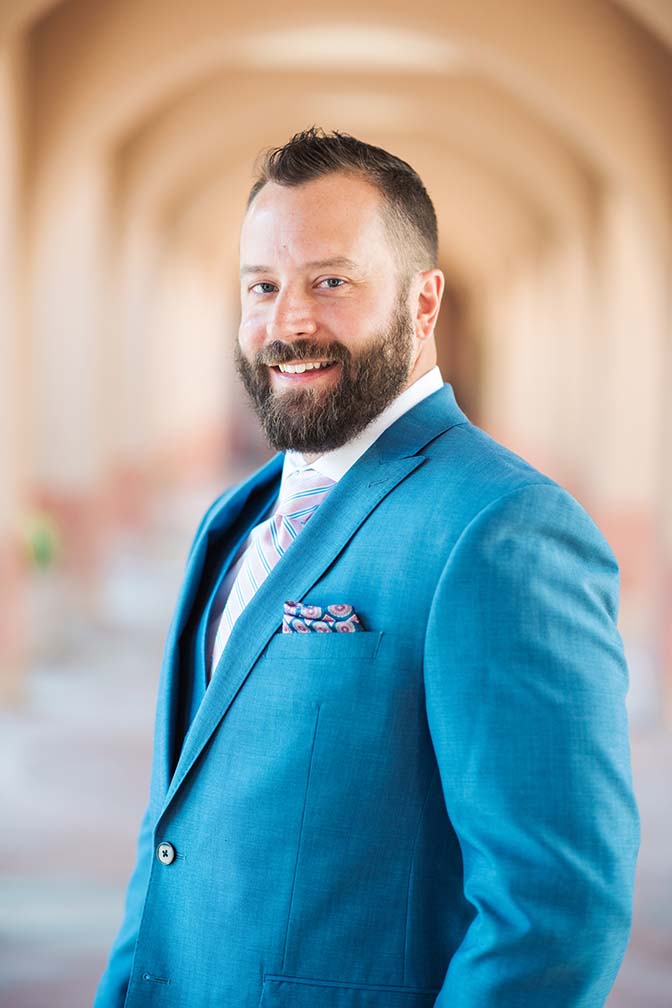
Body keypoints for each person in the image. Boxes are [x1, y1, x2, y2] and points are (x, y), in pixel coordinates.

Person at [95, 128, 639, 1008]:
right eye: (262, 287)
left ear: (423, 304)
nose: (289, 321)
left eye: (332, 282)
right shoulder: (233, 522)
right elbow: (172, 839)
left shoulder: (505, 529)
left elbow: (555, 909)